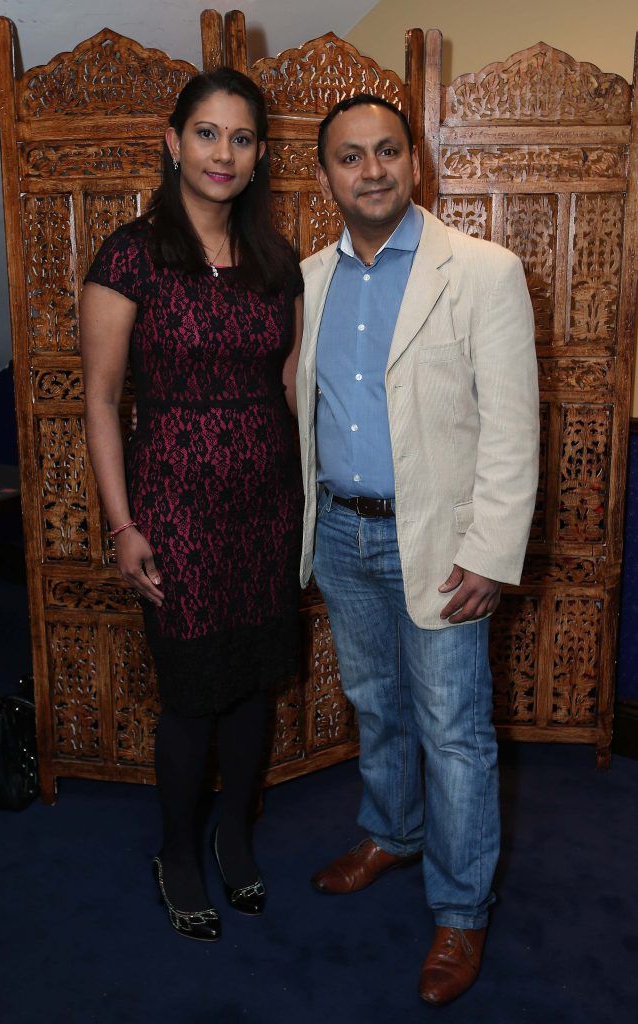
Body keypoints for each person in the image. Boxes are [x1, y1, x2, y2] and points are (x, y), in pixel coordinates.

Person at [296, 94, 539, 1004]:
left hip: (439, 542)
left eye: (387, 152)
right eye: (350, 157)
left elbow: (513, 430)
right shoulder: (309, 279)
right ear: (325, 175)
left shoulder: (482, 271)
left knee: (454, 731)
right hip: (341, 531)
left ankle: (461, 912)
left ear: (415, 162)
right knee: (375, 703)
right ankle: (390, 833)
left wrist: (489, 554)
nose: (371, 171)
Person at [81, 68, 303, 942]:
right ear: (173, 143)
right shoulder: (129, 252)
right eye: (207, 134)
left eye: (241, 138)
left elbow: (290, 386)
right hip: (174, 503)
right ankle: (177, 849)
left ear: (257, 156)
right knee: (192, 692)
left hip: (268, 503)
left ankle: (235, 836)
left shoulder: (275, 261)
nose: (224, 153)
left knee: (254, 683)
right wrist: (123, 523)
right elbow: (102, 399)